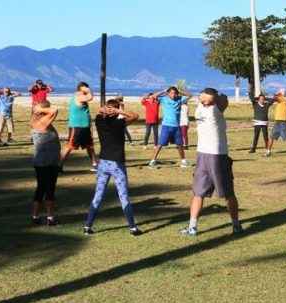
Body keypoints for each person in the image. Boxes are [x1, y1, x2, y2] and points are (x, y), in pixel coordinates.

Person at [180, 88, 242, 236]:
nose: (202, 99)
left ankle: (236, 225)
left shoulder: (217, 110)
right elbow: (197, 98)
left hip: (217, 155)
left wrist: (213, 97)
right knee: (198, 192)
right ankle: (192, 227)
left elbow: (224, 99)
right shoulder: (200, 108)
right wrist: (204, 98)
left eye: (206, 98)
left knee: (228, 193)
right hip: (202, 153)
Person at [84, 99, 142, 236]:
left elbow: (99, 112)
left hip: (103, 163)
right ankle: (133, 228)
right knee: (123, 196)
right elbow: (135, 116)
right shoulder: (119, 123)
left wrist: (105, 109)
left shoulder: (99, 120)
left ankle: (87, 226)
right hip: (117, 163)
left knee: (98, 195)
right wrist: (119, 110)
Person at [30, 100, 61, 226]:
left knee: (41, 188)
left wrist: (39, 109)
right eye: (47, 109)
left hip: (47, 161)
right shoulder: (42, 122)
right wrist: (41, 109)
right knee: (49, 189)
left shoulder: (39, 121)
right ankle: (50, 217)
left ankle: (35, 216)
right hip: (46, 162)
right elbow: (55, 110)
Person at [148, 86, 191, 168]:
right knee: (160, 144)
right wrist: (164, 90)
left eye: (175, 93)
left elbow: (190, 95)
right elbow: (153, 96)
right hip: (166, 126)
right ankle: (153, 161)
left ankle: (183, 161)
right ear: (168, 93)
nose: (173, 95)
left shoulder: (179, 99)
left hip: (176, 127)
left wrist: (181, 91)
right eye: (171, 93)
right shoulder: (164, 99)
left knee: (180, 145)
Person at [59, 82, 98, 172]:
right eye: (86, 88)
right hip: (77, 126)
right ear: (81, 88)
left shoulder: (82, 96)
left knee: (89, 146)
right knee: (69, 146)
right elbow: (90, 97)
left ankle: (95, 164)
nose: (87, 90)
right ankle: (58, 165)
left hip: (84, 126)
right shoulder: (79, 96)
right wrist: (88, 90)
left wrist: (90, 125)